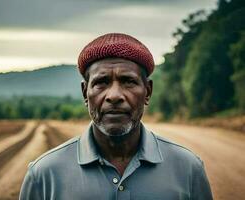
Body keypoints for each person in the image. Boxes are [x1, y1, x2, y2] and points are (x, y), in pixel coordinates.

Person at [19, 33, 213, 200]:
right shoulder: (44, 174)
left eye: (128, 81)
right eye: (102, 82)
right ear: (85, 93)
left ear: (148, 92)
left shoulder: (188, 168)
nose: (114, 96)